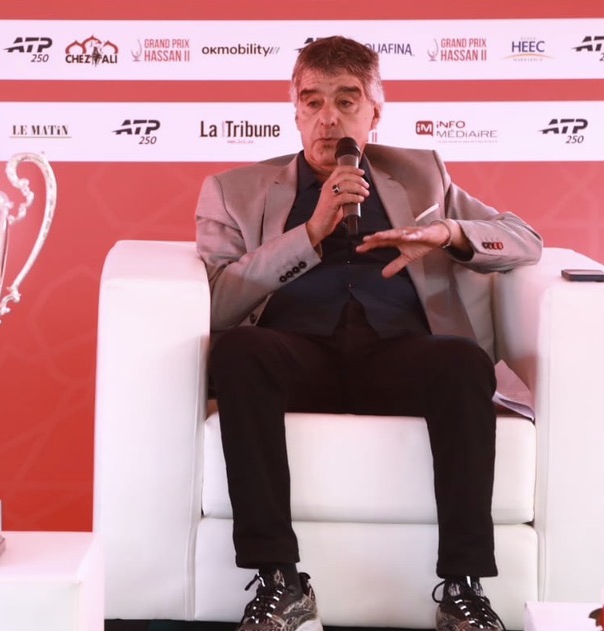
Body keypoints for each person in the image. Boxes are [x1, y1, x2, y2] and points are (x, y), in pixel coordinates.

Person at [195, 35, 543, 631]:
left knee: (463, 362)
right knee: (239, 353)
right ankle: (279, 580)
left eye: (346, 100)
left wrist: (448, 234)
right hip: (295, 357)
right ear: (295, 111)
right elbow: (219, 302)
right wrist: (309, 232)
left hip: (396, 357)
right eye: (312, 101)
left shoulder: (422, 175)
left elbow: (524, 240)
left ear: (375, 112)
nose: (328, 118)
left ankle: (463, 588)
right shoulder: (236, 190)